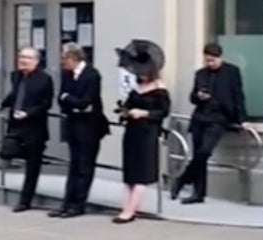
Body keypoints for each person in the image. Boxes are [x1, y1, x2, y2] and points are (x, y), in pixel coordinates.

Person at [173, 42, 246, 204]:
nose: (210, 63)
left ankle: (183, 178)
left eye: (213, 60)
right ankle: (198, 193)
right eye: (207, 60)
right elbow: (192, 97)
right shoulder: (200, 74)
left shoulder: (232, 72)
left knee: (204, 151)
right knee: (199, 155)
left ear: (220, 57)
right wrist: (199, 96)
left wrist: (242, 119)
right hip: (200, 117)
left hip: (219, 118)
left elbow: (238, 95)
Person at [115, 39, 171, 223]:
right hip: (132, 132)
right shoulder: (135, 88)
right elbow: (127, 105)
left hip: (148, 133)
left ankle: (130, 211)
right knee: (129, 174)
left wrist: (144, 113)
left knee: (141, 174)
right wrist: (125, 112)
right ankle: (128, 208)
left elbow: (163, 112)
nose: (141, 75)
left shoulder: (160, 90)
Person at [52, 43, 109, 218]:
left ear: (74, 58)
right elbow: (61, 98)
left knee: (85, 166)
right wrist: (72, 102)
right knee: (74, 166)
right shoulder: (66, 74)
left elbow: (86, 102)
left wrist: (70, 100)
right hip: (73, 125)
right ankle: (66, 203)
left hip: (89, 127)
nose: (62, 62)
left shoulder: (92, 75)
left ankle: (78, 204)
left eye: (64, 58)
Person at [0, 47, 55, 213]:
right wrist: (2, 105)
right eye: (22, 57)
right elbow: (14, 94)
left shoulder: (44, 79)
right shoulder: (16, 75)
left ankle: (25, 200)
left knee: (32, 165)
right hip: (16, 125)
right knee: (7, 152)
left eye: (28, 58)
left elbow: (46, 104)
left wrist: (28, 113)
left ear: (36, 61)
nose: (23, 60)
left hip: (34, 127)